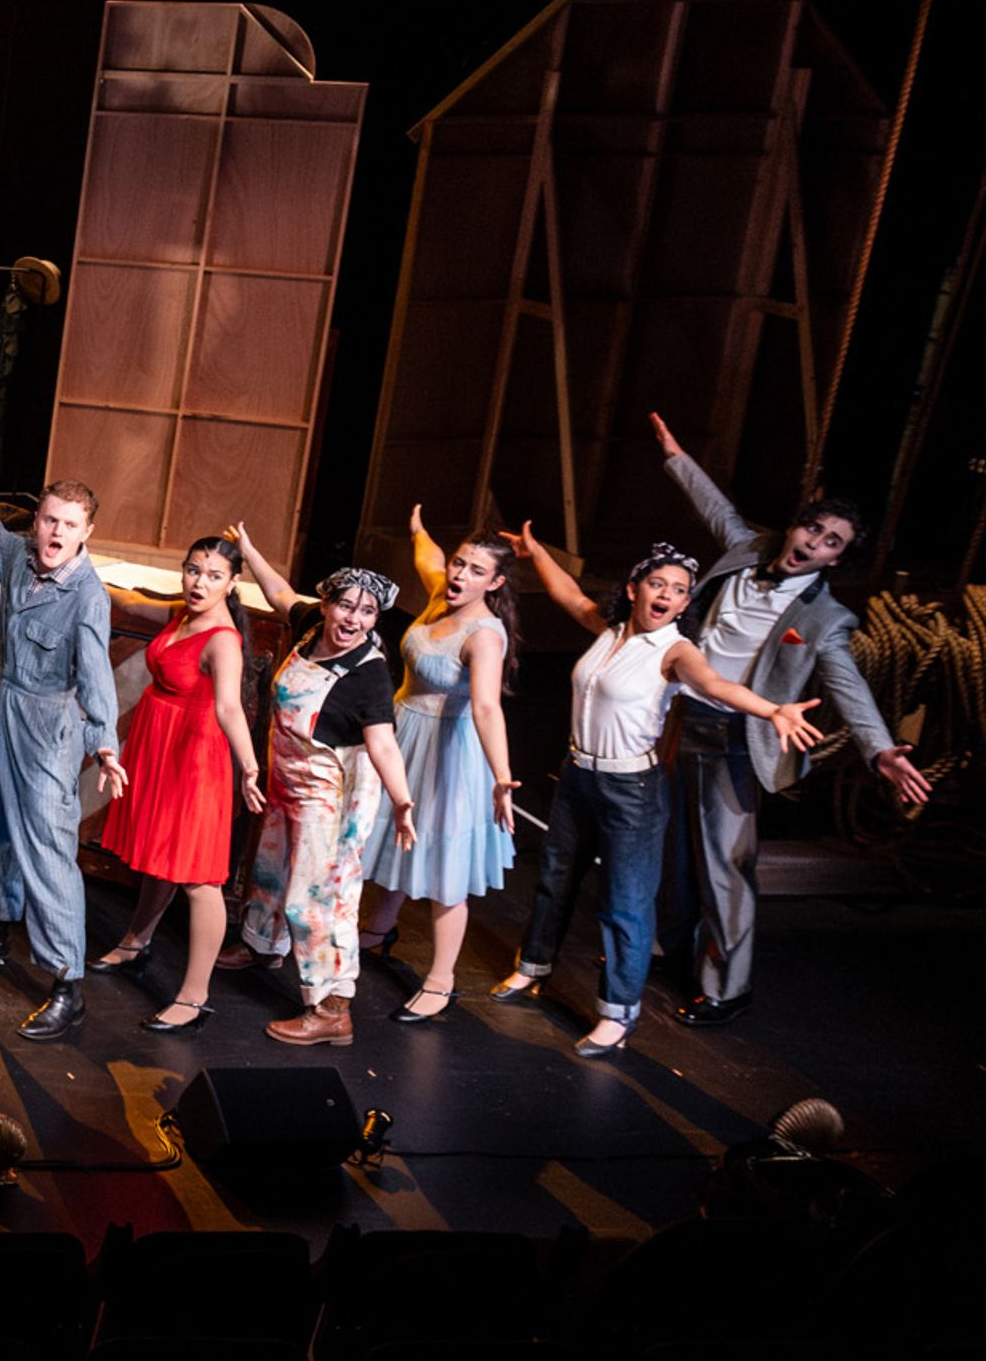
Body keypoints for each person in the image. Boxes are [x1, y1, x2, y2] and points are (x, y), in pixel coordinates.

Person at [643, 412, 928, 1027]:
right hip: (680, 719)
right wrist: (675, 455)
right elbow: (713, 505)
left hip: (740, 739)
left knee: (725, 863)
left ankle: (726, 985)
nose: (813, 543)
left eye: (831, 543)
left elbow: (847, 685)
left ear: (837, 561)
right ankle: (677, 951)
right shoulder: (746, 550)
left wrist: (881, 751)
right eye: (813, 528)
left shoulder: (826, 619)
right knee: (673, 850)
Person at [497, 530, 821, 1057]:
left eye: (678, 589)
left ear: (686, 603)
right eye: (657, 583)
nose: (666, 594)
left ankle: (618, 1014)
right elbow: (570, 596)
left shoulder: (675, 650)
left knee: (625, 903)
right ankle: (532, 968)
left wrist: (772, 710)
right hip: (579, 773)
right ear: (634, 588)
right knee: (555, 880)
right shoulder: (608, 630)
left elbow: (716, 686)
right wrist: (536, 555)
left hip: (632, 789)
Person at [0, 430, 124, 1042]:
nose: (57, 533)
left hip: (50, 726)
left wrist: (106, 743)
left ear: (87, 532)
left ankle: (67, 981)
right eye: (49, 520)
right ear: (36, 521)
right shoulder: (17, 556)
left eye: (70, 525)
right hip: (8, 705)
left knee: (45, 845)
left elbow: (95, 678)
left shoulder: (87, 597)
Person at [219, 534, 420, 1047]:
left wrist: (401, 801)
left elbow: (384, 745)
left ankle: (331, 1005)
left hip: (328, 799)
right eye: (346, 606)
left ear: (377, 619)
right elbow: (280, 592)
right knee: (269, 872)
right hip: (286, 781)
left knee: (318, 895)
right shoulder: (311, 629)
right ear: (327, 605)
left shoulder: (369, 675)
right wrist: (248, 547)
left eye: (368, 612)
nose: (354, 619)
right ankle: (263, 944)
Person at [83, 535, 268, 1033]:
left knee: (198, 877)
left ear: (233, 585)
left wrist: (249, 766)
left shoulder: (223, 639)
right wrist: (82, 567)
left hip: (195, 756)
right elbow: (135, 601)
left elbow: (229, 707)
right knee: (163, 856)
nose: (198, 583)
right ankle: (135, 941)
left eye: (212, 576)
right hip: (159, 741)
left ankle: (194, 996)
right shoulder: (185, 614)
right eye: (192, 570)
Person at [365, 508, 520, 1023]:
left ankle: (441, 980)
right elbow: (427, 557)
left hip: (448, 750)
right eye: (460, 563)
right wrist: (418, 530)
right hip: (403, 731)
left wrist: (501, 777)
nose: (460, 575)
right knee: (392, 836)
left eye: (477, 571)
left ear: (495, 583)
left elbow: (486, 708)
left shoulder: (484, 634)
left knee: (443, 866)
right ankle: (379, 928)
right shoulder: (440, 593)